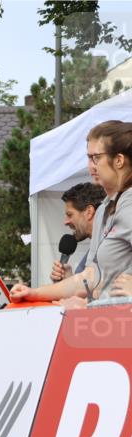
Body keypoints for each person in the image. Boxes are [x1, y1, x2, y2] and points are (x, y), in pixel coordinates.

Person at [12, 121, 132, 304]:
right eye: (89, 158)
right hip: (110, 318)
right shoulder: (104, 209)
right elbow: (90, 276)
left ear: (119, 160)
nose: (91, 166)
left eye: (96, 157)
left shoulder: (129, 202)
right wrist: (34, 293)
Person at [51, 182, 107, 282]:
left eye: (70, 215)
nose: (65, 222)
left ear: (89, 212)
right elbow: (86, 287)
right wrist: (69, 280)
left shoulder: (111, 246)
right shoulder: (93, 249)